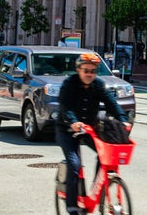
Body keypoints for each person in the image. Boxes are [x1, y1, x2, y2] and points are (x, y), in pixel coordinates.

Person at [56, 52, 129, 215]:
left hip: (89, 128)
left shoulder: (98, 85)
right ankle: (72, 206)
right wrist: (73, 122)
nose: (89, 74)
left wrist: (123, 120)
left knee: (105, 156)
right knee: (74, 164)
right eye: (86, 70)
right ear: (78, 70)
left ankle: (98, 187)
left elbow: (111, 103)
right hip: (67, 130)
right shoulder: (69, 84)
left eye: (93, 71)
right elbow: (65, 106)